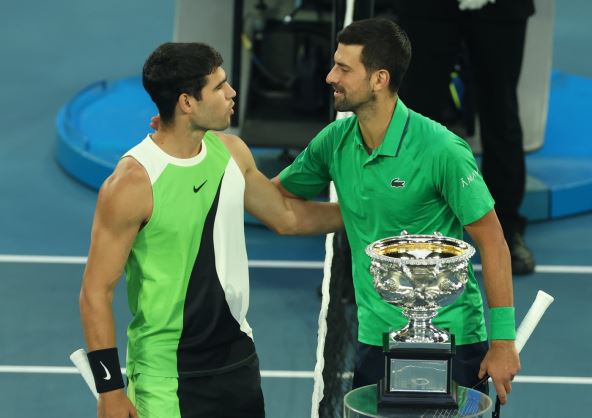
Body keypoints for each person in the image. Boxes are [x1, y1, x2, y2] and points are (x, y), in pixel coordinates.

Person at [79, 42, 342, 418]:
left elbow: (286, 217)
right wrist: (109, 391)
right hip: (166, 378)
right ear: (187, 102)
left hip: (237, 365)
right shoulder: (132, 184)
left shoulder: (232, 152)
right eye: (219, 86)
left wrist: (364, 214)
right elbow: (95, 292)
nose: (232, 93)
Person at [272, 18, 520, 404]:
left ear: (379, 79)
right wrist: (220, 160)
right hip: (375, 338)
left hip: (452, 340)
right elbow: (277, 196)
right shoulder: (334, 142)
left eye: (343, 68)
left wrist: (503, 342)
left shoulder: (442, 150)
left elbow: (493, 241)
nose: (330, 76)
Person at [391, 0, 536, 275]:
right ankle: (408, 230)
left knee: (501, 113)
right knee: (416, 117)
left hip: (501, 7)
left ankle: (505, 231)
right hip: (429, 8)